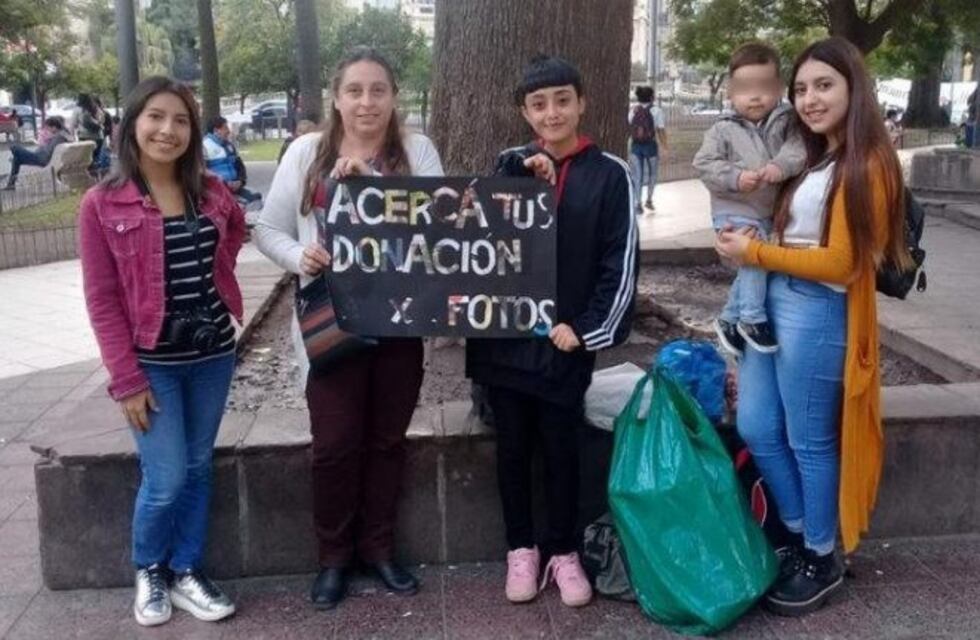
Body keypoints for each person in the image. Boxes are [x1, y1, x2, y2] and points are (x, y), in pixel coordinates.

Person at [715, 37, 910, 617]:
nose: (809, 99)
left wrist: (758, 257)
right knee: (756, 425)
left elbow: (843, 265)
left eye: (824, 85)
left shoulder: (868, 161)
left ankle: (821, 555)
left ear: (855, 87)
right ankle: (802, 534)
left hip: (817, 308)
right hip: (773, 302)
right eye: (800, 89)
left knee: (809, 439)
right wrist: (748, 247)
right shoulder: (812, 156)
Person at [254, 46, 444, 611]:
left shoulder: (416, 150)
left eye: (378, 90)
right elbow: (269, 228)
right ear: (336, 98)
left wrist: (375, 190)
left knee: (387, 441)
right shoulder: (307, 152)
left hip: (399, 320)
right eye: (355, 90)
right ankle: (334, 557)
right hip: (330, 320)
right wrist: (300, 257)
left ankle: (379, 548)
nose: (367, 102)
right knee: (335, 445)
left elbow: (438, 229)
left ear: (393, 96)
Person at [466, 55, 637, 609]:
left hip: (563, 341)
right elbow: (476, 238)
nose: (552, 112)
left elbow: (619, 262)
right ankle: (521, 548)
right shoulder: (508, 164)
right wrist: (519, 170)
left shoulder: (610, 173)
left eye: (563, 99)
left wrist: (587, 330)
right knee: (512, 448)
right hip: (505, 341)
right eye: (538, 103)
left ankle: (563, 550)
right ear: (524, 111)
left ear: (581, 102)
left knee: (562, 449)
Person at [78, 76, 246, 627]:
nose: (167, 130)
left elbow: (235, 234)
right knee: (167, 474)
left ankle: (185, 570)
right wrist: (125, 379)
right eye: (155, 116)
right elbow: (102, 300)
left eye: (180, 120)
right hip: (152, 365)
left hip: (213, 355)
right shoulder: (101, 204)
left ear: (193, 132)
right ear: (131, 124)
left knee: (198, 468)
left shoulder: (212, 191)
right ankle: (149, 567)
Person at [694, 42, 805, 356]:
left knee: (754, 263)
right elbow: (704, 165)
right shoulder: (722, 129)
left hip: (769, 211)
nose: (755, 96)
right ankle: (752, 319)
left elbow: (798, 150)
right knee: (754, 254)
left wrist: (779, 167)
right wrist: (736, 178)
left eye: (764, 87)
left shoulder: (788, 123)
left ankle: (730, 319)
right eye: (745, 89)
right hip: (735, 209)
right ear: (731, 92)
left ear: (779, 88)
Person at [203, 116, 262, 204]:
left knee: (257, 199)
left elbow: (240, 166)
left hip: (234, 188)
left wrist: (240, 181)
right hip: (217, 191)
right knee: (239, 206)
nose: (228, 131)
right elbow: (201, 173)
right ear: (216, 131)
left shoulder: (229, 146)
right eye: (225, 128)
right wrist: (225, 184)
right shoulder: (204, 147)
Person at [2, 117, 72, 190]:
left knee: (14, 147)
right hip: (44, 158)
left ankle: (11, 184)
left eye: (48, 128)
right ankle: (11, 184)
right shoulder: (63, 135)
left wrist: (42, 147)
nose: (48, 130)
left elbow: (47, 153)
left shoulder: (58, 137)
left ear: (54, 127)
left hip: (42, 159)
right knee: (16, 159)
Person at [628, 85, 667, 212]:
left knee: (637, 175)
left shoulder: (633, 110)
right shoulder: (656, 111)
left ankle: (637, 203)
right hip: (650, 146)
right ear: (651, 97)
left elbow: (630, 125)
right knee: (653, 173)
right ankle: (649, 200)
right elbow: (660, 130)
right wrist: (665, 147)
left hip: (635, 146)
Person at [74, 93, 107, 163]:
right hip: (98, 137)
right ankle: (96, 172)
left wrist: (72, 137)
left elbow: (73, 124)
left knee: (86, 160)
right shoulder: (96, 108)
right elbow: (102, 121)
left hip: (84, 137)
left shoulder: (78, 110)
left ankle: (90, 173)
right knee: (95, 159)